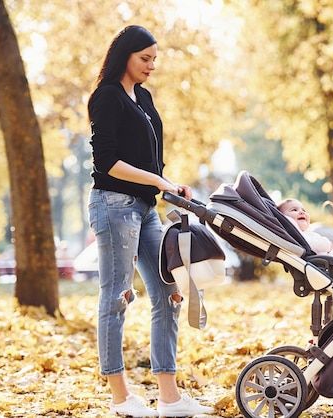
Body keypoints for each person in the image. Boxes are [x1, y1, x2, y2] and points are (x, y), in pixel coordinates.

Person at [87, 25, 214, 417]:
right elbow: (107, 162)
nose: (152, 66)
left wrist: (170, 185)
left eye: (154, 59)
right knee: (117, 297)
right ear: (124, 55)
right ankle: (120, 397)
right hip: (114, 205)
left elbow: (149, 155)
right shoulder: (106, 98)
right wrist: (157, 180)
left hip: (145, 208)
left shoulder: (142, 96)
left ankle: (169, 397)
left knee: (169, 293)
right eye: (145, 58)